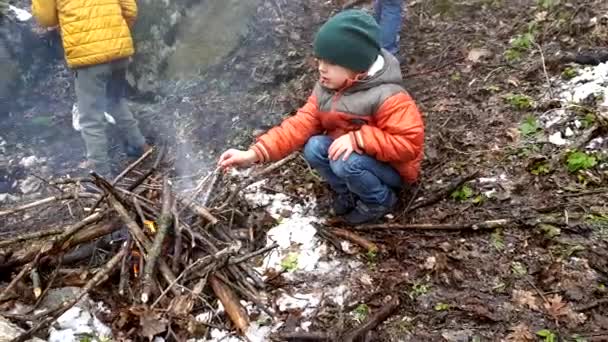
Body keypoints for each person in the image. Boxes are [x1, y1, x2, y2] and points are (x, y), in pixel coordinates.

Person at [219, 10, 424, 224]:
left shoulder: (389, 97)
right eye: (319, 60)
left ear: (357, 66)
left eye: (331, 63)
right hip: (351, 159)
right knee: (314, 147)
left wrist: (359, 139)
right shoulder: (328, 88)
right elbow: (299, 125)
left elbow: (408, 145)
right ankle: (350, 192)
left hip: (391, 170)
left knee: (345, 162)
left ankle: (379, 200)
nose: (321, 69)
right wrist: (253, 154)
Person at [31, 0, 149, 177]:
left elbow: (45, 19)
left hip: (89, 58)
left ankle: (103, 178)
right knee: (114, 101)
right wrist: (115, 36)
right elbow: (130, 9)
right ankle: (142, 146)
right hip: (119, 52)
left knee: (90, 119)